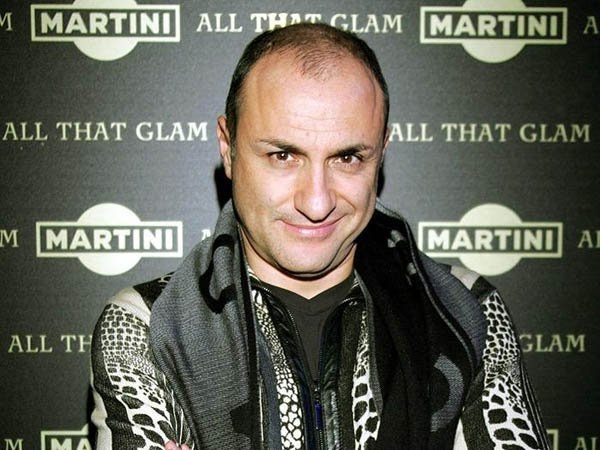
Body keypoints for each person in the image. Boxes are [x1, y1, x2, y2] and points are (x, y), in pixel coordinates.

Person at [90, 23, 549, 450]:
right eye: (283, 155)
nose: (316, 202)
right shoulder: (146, 325)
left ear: (381, 153)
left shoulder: (462, 308)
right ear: (228, 149)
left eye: (348, 158)